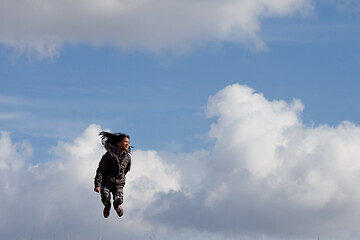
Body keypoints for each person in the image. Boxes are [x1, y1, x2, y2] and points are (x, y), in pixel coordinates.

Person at [94, 131, 132, 218]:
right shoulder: (109, 155)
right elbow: (100, 170)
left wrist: (121, 177)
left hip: (118, 184)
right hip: (106, 182)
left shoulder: (128, 158)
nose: (127, 144)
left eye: (128, 143)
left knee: (119, 200)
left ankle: (117, 205)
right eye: (125, 142)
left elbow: (127, 169)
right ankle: (107, 206)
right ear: (118, 143)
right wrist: (97, 185)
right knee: (105, 198)